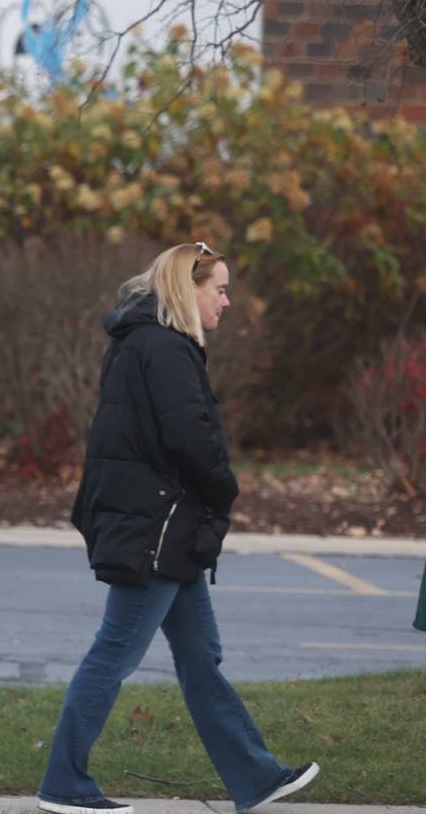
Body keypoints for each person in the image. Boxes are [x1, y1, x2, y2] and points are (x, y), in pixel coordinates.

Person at [38, 242, 317, 814]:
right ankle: (63, 783)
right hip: (158, 530)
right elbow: (190, 438)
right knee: (114, 653)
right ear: (186, 289)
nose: (227, 301)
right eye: (219, 288)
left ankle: (256, 776)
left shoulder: (144, 341)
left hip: (165, 528)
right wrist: (225, 488)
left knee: (199, 656)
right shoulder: (164, 348)